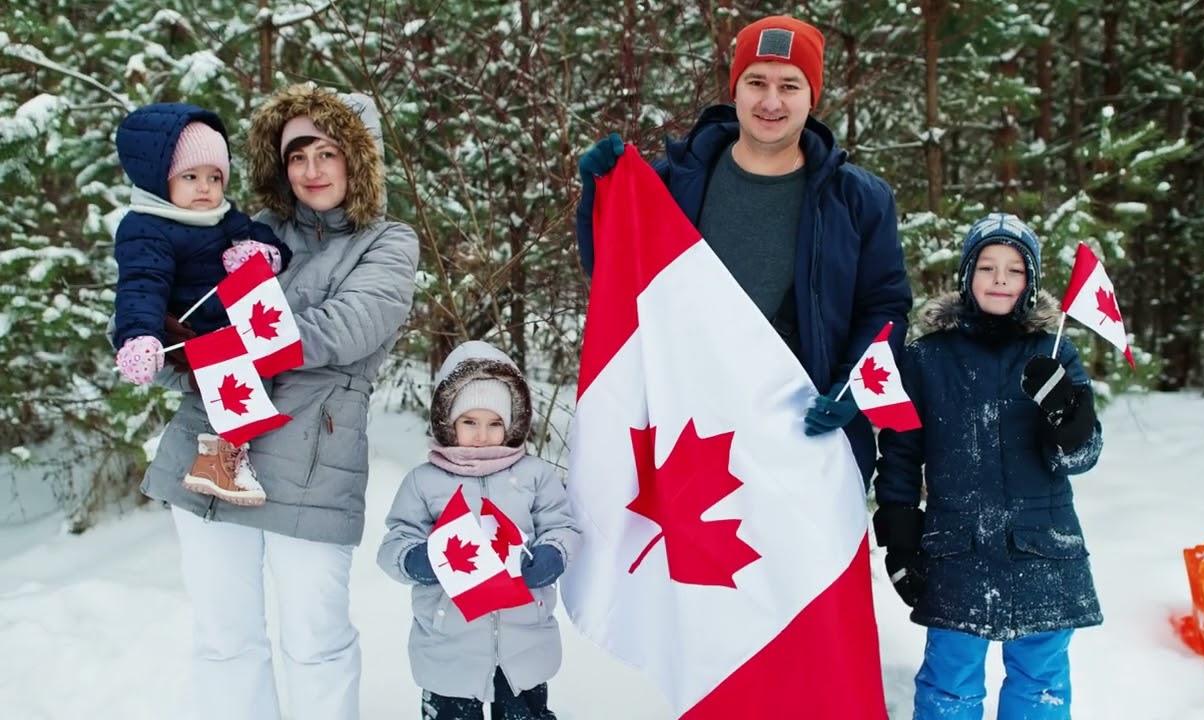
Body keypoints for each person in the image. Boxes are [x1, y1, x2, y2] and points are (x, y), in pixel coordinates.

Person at [139, 84, 420, 720]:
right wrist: (151, 339)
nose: (312, 170)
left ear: (358, 159)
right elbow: (178, 315)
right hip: (213, 450)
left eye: (327, 152)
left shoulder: (387, 242)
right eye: (297, 156)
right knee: (225, 643)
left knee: (314, 643)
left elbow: (347, 327)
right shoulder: (247, 233)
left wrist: (224, 339)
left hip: (313, 463)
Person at [574, 15, 911, 484]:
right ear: (735, 90)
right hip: (689, 433)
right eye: (757, 81)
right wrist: (600, 193)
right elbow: (615, 279)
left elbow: (884, 305)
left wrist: (854, 384)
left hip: (805, 435)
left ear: (813, 97)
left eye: (790, 85)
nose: (771, 101)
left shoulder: (859, 199)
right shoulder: (675, 182)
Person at [871, 212, 1104, 720]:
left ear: (1031, 281)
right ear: (966, 276)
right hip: (958, 549)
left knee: (1039, 683)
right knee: (949, 682)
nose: (1000, 279)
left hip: (1043, 546)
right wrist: (900, 537)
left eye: (1015, 269)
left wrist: (1066, 414)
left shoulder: (1055, 351)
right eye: (987, 267)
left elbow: (1082, 457)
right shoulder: (927, 359)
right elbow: (901, 454)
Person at [378, 340, 581, 720]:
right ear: (448, 421)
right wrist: (419, 560)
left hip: (524, 643)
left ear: (512, 424)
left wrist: (554, 553)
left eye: (494, 424)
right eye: (469, 422)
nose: (482, 434)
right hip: (449, 645)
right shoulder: (425, 482)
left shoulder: (534, 475)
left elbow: (561, 525)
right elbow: (394, 543)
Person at [112, 103, 295, 506]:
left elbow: (267, 240)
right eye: (190, 176)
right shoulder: (147, 228)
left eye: (215, 177)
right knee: (237, 389)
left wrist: (260, 252)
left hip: (233, 325)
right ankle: (219, 462)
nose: (205, 188)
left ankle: (220, 460)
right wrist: (139, 335)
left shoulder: (223, 216)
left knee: (251, 379)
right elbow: (141, 286)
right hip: (191, 335)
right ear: (159, 181)